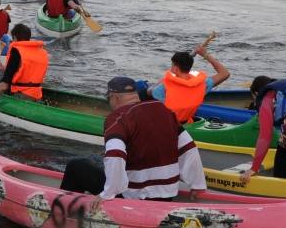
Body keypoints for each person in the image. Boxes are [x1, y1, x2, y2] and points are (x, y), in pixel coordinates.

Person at [60, 77, 207, 201]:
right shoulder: (163, 110)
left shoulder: (118, 118)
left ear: (114, 98)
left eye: (109, 99)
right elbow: (188, 148)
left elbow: (115, 155)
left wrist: (107, 194)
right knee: (96, 160)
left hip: (135, 196)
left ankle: (61, 211)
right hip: (167, 194)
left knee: (76, 166)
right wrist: (197, 185)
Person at [149, 45, 230, 123]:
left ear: (176, 68)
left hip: (169, 125)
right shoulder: (202, 84)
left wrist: (164, 80)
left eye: (172, 65)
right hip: (187, 122)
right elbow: (225, 73)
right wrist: (205, 55)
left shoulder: (162, 88)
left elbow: (150, 91)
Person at [0, 24, 49, 111]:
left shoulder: (16, 52)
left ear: (15, 37)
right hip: (37, 94)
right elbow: (24, 72)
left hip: (20, 94)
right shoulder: (41, 52)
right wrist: (2, 67)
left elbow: (4, 85)